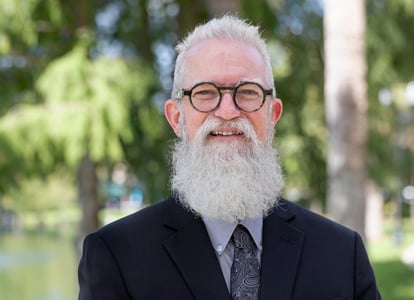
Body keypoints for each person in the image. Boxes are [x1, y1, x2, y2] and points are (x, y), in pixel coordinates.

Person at [78, 15, 382, 300]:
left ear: (272, 114)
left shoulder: (342, 253)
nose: (227, 111)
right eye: (205, 93)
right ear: (176, 117)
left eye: (248, 92)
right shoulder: (116, 255)